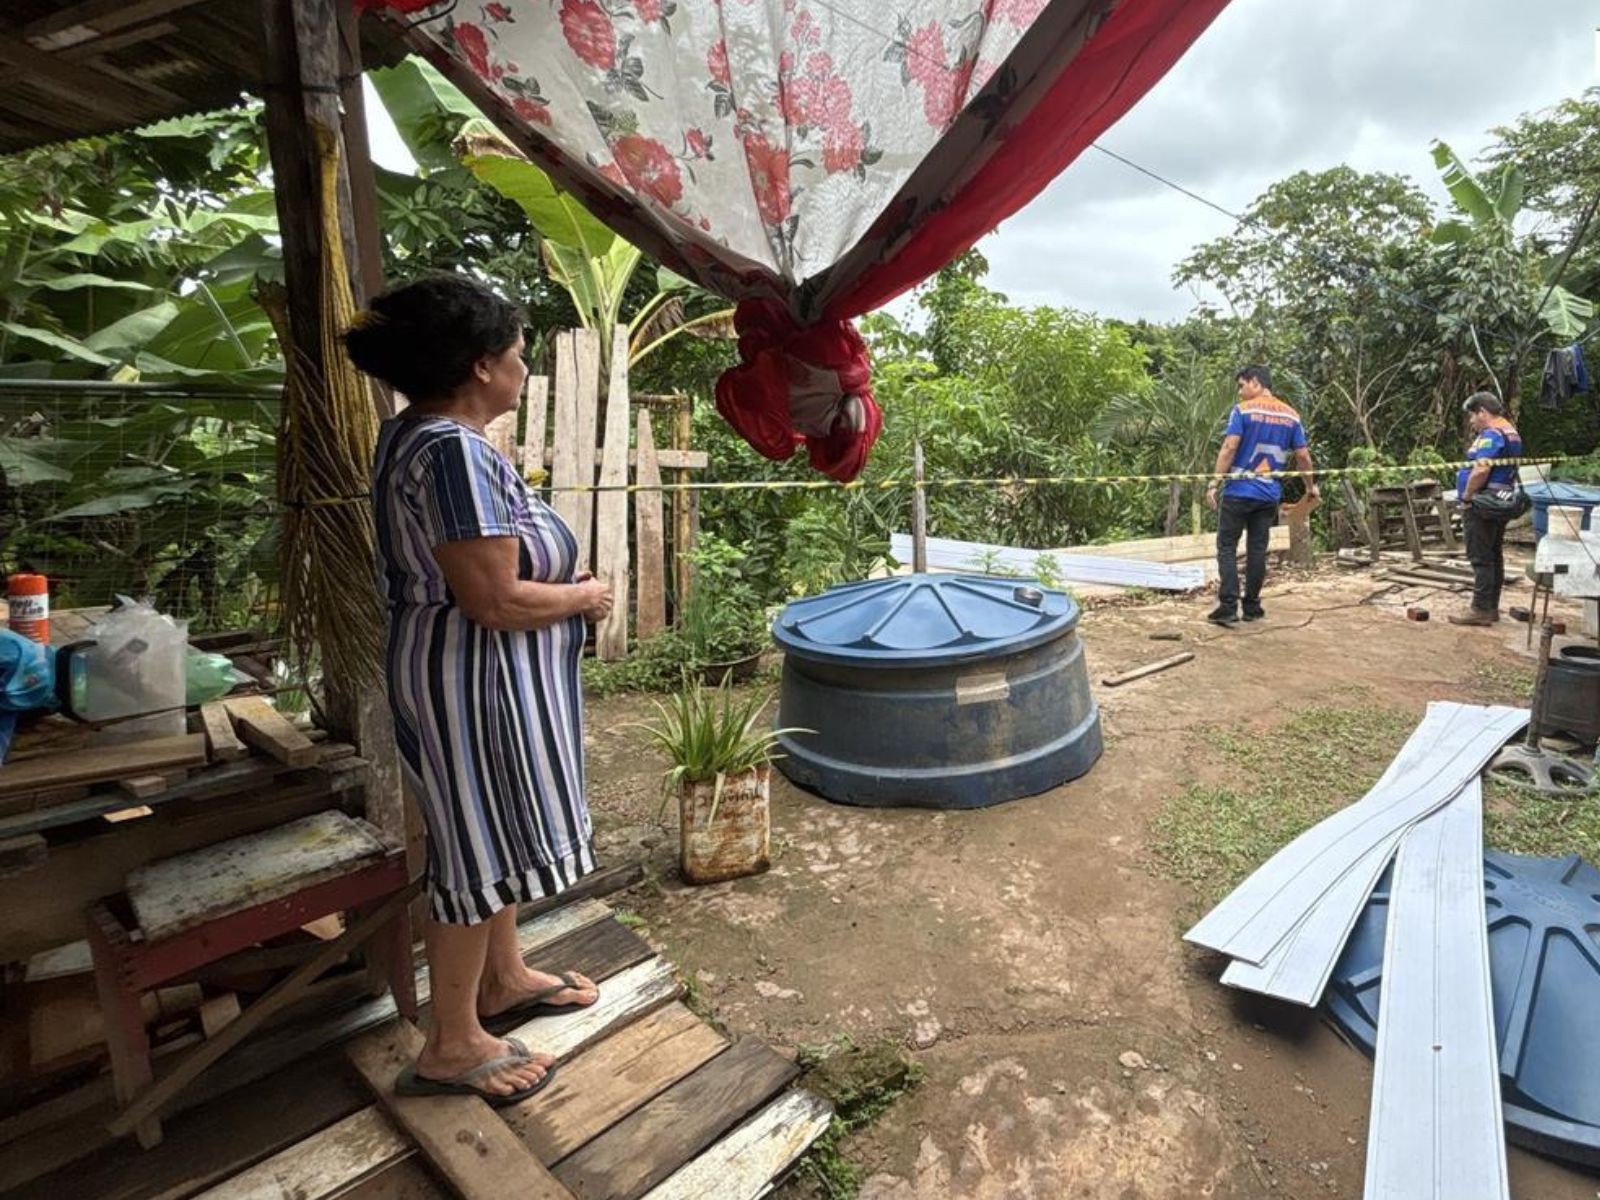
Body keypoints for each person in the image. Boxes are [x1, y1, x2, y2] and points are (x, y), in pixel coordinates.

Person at [345, 275, 613, 1105]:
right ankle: (452, 1043)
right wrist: (584, 596)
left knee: (488, 836)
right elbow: (492, 599)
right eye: (519, 355)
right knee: (472, 847)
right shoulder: (452, 453)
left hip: (473, 677)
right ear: (481, 366)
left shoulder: (419, 436)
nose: (525, 368)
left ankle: (503, 980)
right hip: (472, 683)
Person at [1205, 366, 1319, 625]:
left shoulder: (1242, 411)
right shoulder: (1292, 416)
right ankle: (1253, 607)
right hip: (1268, 494)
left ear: (1256, 382)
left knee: (1226, 547)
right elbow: (1302, 455)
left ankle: (1228, 606)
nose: (1240, 391)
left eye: (1242, 385)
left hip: (1238, 491)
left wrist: (1214, 483)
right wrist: (1310, 486)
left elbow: (1229, 446)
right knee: (1258, 549)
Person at [1449, 391, 1524, 627]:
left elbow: (1481, 470)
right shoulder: (1511, 432)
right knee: (1493, 555)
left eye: (1473, 415)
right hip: (1498, 501)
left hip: (1483, 504)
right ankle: (1490, 607)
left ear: (1483, 412)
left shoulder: (1492, 435)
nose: (1472, 421)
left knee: (1480, 557)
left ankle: (1481, 609)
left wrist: (1468, 496)